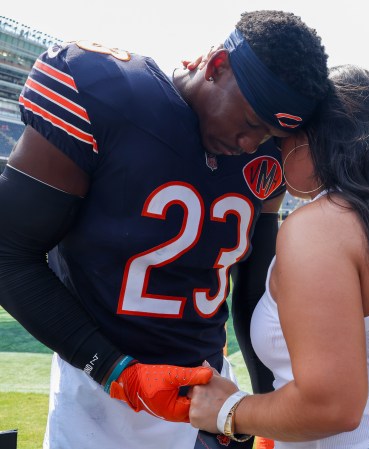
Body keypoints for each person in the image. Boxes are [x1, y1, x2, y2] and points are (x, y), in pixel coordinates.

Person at [0, 10, 329, 449]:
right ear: (216, 66)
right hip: (100, 395)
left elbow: (253, 288)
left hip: (209, 395)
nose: (251, 144)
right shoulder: (106, 89)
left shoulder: (268, 157)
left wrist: (267, 401)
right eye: (250, 124)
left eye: (268, 135)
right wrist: (119, 372)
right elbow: (8, 252)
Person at [188, 65, 369, 448]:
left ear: (314, 137)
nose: (271, 148)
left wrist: (228, 410)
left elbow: (333, 407)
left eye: (280, 136)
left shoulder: (320, 226)